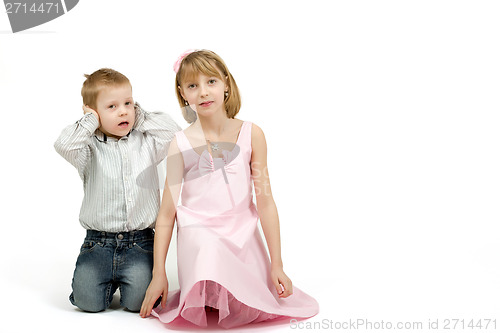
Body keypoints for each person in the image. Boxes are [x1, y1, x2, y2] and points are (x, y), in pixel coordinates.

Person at [139, 50, 319, 328]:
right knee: (210, 249)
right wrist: (158, 272)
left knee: (242, 285)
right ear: (183, 93)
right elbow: (166, 213)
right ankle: (208, 286)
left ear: (225, 83)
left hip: (241, 233)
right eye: (192, 86)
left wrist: (277, 264)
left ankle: (238, 286)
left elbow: (266, 202)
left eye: (210, 81)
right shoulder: (180, 143)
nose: (203, 92)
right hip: (199, 235)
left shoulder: (252, 133)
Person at [54, 68, 180, 312]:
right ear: (93, 112)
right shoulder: (88, 148)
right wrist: (91, 121)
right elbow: (63, 144)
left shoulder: (146, 141)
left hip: (140, 243)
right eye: (111, 107)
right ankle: (104, 284)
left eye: (128, 103)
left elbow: (174, 133)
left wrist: (139, 116)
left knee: (138, 304)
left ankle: (126, 284)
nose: (123, 111)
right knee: (87, 303)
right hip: (98, 243)